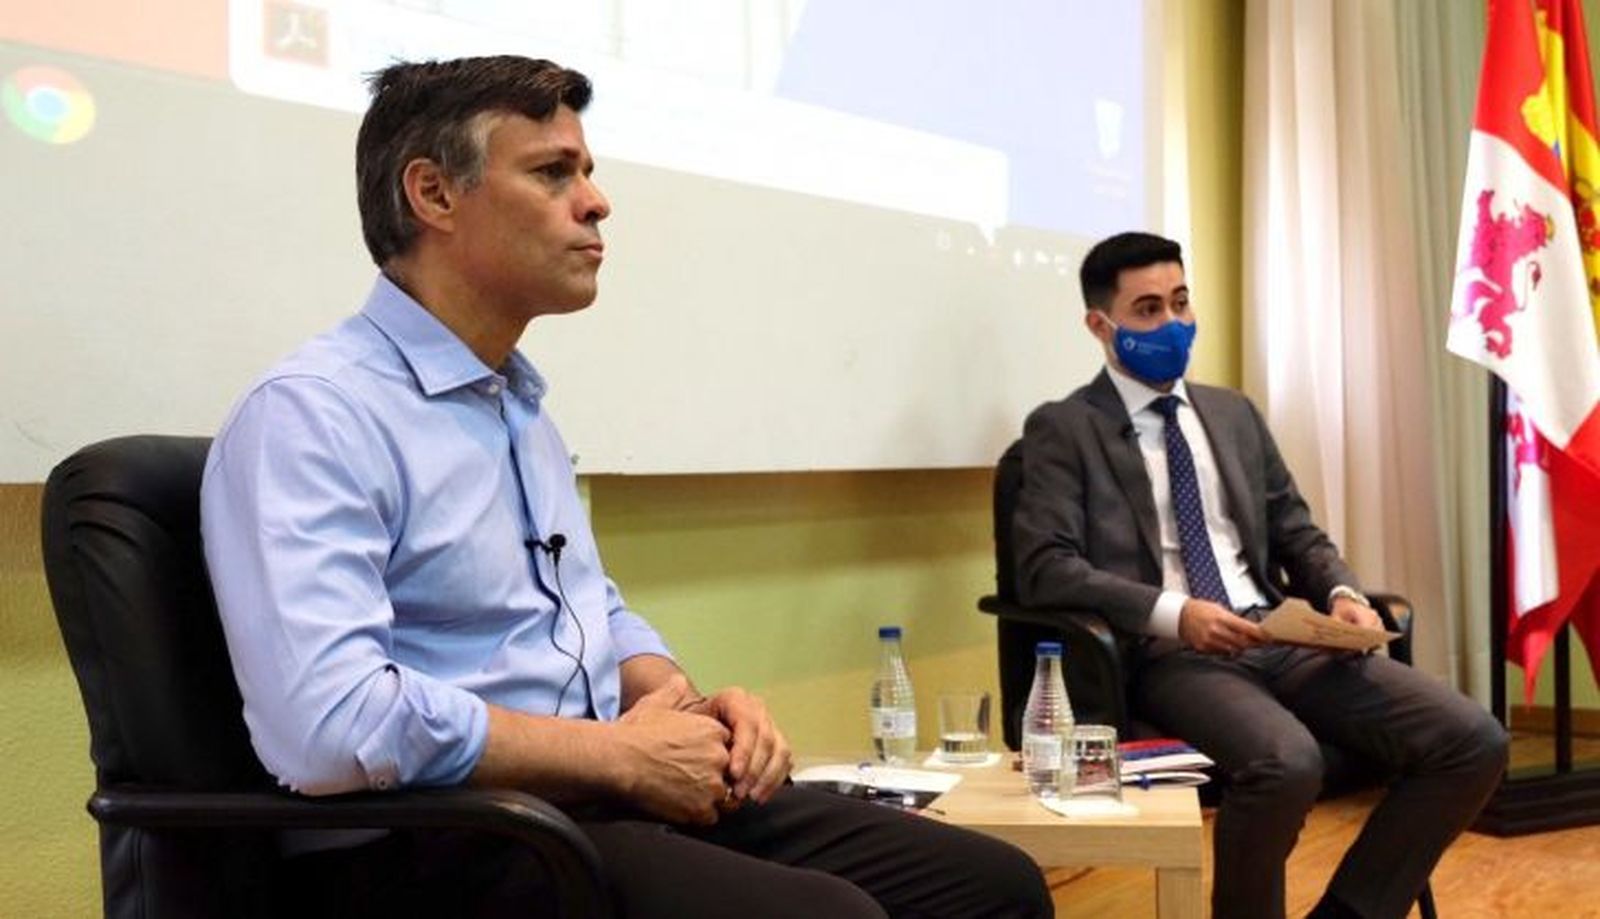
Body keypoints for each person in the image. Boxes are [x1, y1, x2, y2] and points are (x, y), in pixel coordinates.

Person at [200, 56, 1051, 919]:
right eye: (552, 172)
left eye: (587, 172)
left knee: (993, 887)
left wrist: (683, 704)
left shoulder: (517, 407)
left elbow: (592, 612)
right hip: (433, 839)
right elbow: (329, 724)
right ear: (434, 194)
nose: (596, 202)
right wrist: (614, 755)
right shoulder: (314, 414)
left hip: (588, 797)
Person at [1010, 231, 1507, 919]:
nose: (1173, 323)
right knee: (1286, 762)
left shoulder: (1232, 413)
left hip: (1281, 636)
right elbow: (1045, 567)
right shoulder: (1065, 428)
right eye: (1148, 310)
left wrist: (1342, 593)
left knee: (1473, 739)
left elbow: (1295, 529)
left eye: (1181, 302)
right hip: (1174, 654)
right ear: (1101, 325)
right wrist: (1176, 613)